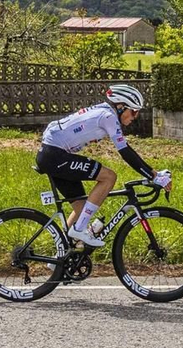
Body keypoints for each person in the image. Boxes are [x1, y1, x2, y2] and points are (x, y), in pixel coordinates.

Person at [37, 83, 169, 249]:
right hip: (55, 155)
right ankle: (79, 230)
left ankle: (60, 257)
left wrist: (154, 174)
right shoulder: (108, 116)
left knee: (81, 208)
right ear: (121, 107)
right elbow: (125, 152)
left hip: (53, 154)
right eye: (133, 111)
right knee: (109, 177)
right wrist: (154, 176)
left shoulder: (103, 111)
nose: (135, 116)